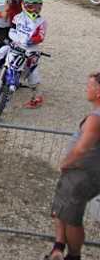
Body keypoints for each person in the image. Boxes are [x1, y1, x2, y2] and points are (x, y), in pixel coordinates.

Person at [46, 72, 100, 260]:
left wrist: (65, 163)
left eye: (90, 86)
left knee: (72, 218)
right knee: (61, 208)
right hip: (80, 172)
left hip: (81, 174)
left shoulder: (96, 118)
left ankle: (74, 256)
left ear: (98, 92)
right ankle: (58, 247)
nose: (87, 89)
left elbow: (82, 149)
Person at [0, 0, 47, 107]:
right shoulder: (18, 17)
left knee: (32, 72)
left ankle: (37, 97)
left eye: (38, 6)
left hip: (31, 49)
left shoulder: (42, 21)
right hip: (16, 44)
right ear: (25, 5)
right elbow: (12, 30)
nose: (36, 9)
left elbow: (41, 36)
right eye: (32, 6)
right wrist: (16, 39)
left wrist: (29, 41)